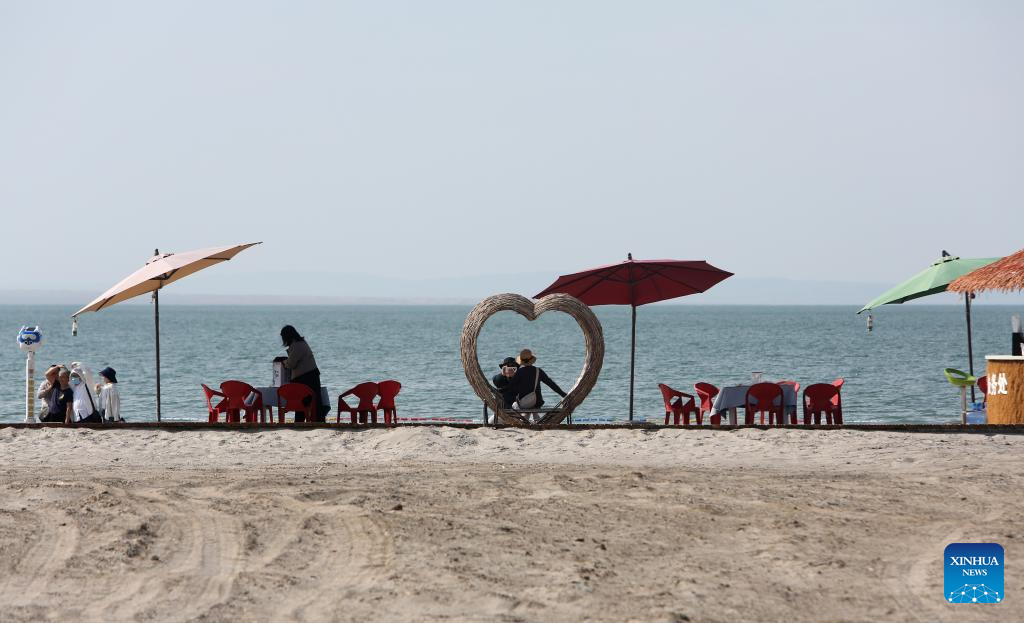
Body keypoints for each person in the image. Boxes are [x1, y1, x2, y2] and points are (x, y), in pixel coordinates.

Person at [277, 325, 327, 422]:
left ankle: (303, 422)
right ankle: (312, 421)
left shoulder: (297, 345)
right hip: (309, 376)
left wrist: (284, 362)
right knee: (311, 402)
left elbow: (291, 364)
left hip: (306, 378)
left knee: (304, 402)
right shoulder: (300, 343)